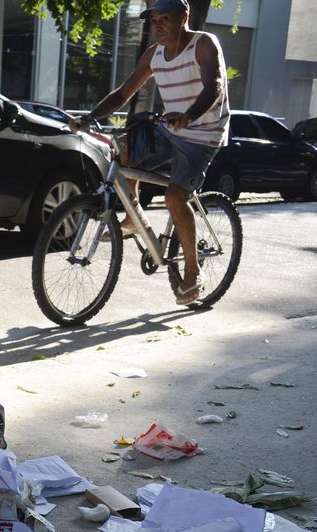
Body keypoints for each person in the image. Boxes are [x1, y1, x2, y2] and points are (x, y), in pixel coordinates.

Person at [72, 0, 229, 306]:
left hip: (203, 136)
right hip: (172, 129)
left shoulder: (203, 45)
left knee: (174, 198)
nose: (157, 26)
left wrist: (189, 115)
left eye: (164, 19)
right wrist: (89, 117)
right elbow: (122, 93)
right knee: (125, 146)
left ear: (183, 17)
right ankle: (133, 218)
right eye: (153, 20)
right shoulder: (154, 55)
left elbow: (216, 85)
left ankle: (193, 272)